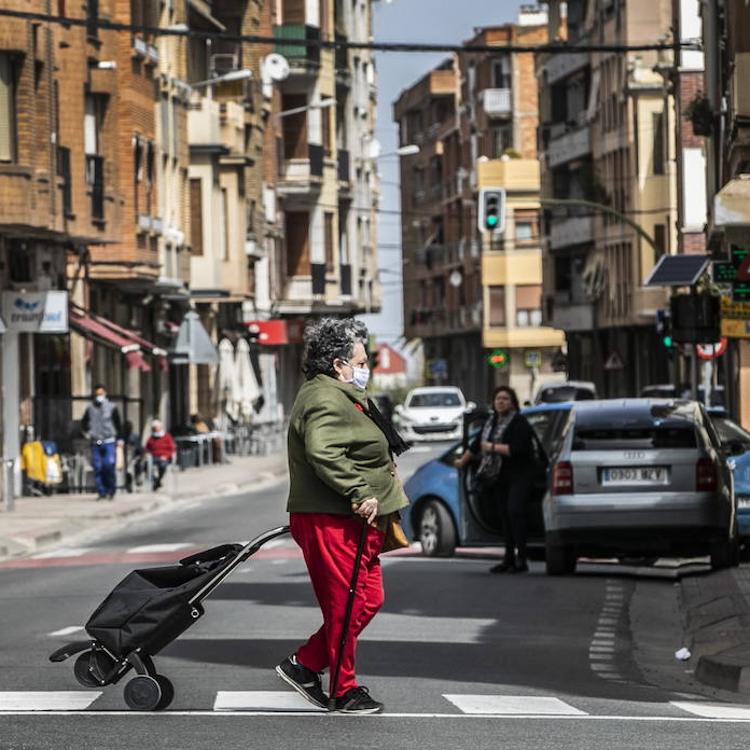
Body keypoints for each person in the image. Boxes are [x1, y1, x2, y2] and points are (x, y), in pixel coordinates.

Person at [276, 317, 408, 715]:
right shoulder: (323, 398)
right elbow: (323, 450)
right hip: (331, 518)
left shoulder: (341, 392)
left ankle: (305, 664)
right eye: (360, 360)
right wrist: (359, 490)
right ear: (337, 364)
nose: (366, 367)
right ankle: (343, 689)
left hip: (356, 522)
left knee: (368, 600)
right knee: (347, 605)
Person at [456, 386, 536, 574]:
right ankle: (508, 558)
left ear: (513, 402)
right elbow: (476, 446)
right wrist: (461, 462)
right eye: (498, 398)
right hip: (498, 477)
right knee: (504, 517)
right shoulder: (490, 422)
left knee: (515, 513)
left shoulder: (519, 422)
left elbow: (517, 449)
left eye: (505, 399)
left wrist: (492, 447)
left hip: (519, 475)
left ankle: (522, 559)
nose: (501, 402)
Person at [81, 384, 123, 500]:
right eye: (97, 394)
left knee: (108, 465)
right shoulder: (90, 408)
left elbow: (118, 423)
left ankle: (111, 490)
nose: (99, 396)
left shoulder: (112, 407)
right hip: (97, 441)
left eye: (101, 394)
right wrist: (87, 433)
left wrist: (120, 439)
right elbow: (84, 423)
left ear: (105, 394)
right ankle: (101, 492)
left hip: (109, 440)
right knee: (98, 466)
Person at [145, 420, 176, 491]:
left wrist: (166, 456)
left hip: (165, 458)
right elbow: (147, 448)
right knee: (145, 465)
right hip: (154, 457)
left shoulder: (167, 437)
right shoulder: (151, 438)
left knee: (162, 465)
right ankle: (156, 480)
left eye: (155, 427)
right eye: (153, 427)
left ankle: (158, 481)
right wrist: (147, 455)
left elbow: (172, 448)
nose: (154, 429)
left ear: (160, 427)